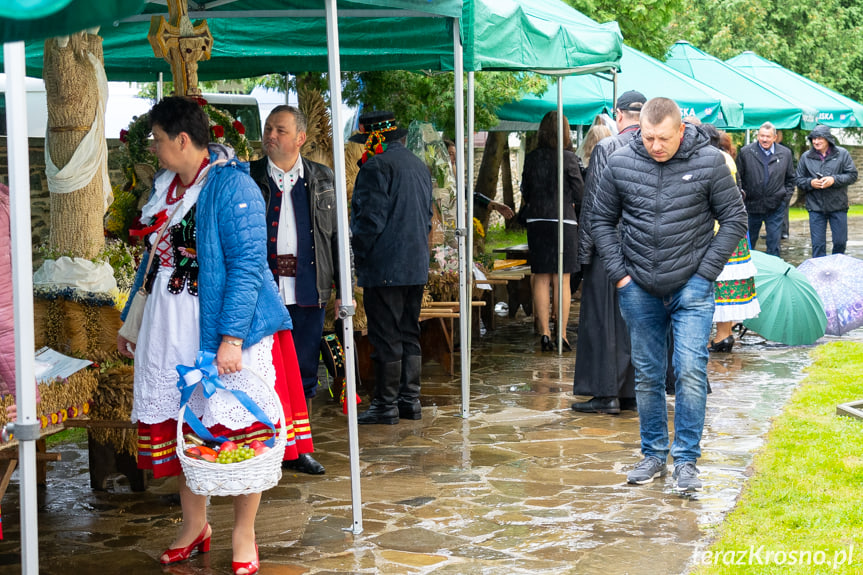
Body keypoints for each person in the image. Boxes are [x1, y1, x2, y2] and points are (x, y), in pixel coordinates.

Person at [117, 96, 294, 574]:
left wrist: (232, 338)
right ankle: (194, 526)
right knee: (185, 427)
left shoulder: (234, 187)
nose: (153, 149)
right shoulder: (166, 188)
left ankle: (243, 532)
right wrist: (134, 319)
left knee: (236, 427)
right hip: (169, 325)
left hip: (218, 325)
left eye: (157, 140)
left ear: (182, 139)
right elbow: (154, 260)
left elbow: (248, 268)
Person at [591, 98, 747, 492]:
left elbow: (734, 219)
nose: (655, 146)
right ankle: (653, 454)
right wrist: (621, 277)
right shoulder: (621, 162)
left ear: (681, 131)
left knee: (690, 370)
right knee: (647, 373)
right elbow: (601, 220)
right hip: (638, 286)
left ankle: (687, 460)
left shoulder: (710, 162)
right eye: (648, 137)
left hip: (691, 286)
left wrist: (705, 273)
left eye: (663, 138)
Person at [249, 105, 343, 476]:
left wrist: (342, 292)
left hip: (308, 288)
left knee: (303, 372)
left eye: (280, 130)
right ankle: (260, 443)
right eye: (268, 128)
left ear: (300, 138)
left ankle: (296, 449)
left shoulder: (322, 178)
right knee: (261, 371)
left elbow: (336, 237)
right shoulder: (250, 176)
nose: (271, 135)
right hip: (262, 293)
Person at [350, 111, 433, 424]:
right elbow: (427, 218)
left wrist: (358, 254)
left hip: (385, 264)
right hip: (414, 264)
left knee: (386, 334)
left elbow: (369, 220)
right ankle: (409, 401)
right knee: (409, 332)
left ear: (373, 138)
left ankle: (386, 405)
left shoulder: (376, 166)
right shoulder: (417, 165)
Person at [571, 91, 644, 415]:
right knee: (633, 322)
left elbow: (594, 207)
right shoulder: (654, 148)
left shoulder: (607, 147)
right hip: (644, 249)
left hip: (609, 248)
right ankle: (628, 391)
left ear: (619, 115)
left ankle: (606, 394)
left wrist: (583, 256)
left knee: (602, 321)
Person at [520, 111, 584, 351]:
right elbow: (580, 193)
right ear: (565, 133)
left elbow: (525, 189)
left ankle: (544, 332)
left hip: (537, 221)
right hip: (563, 222)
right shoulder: (568, 158)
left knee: (541, 277)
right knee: (562, 279)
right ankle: (562, 334)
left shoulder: (531, 158)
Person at [704, 125, 760, 352]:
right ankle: (724, 334)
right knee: (726, 284)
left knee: (718, 283)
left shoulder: (712, 159)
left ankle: (722, 335)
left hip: (718, 229)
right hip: (734, 229)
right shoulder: (726, 157)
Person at [795, 125, 859, 258]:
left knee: (840, 242)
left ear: (828, 139)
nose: (816, 142)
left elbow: (852, 175)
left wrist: (833, 180)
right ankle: (819, 274)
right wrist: (810, 183)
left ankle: (837, 268)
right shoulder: (806, 157)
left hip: (838, 206)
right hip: (815, 207)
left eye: (819, 139)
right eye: (813, 139)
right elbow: (798, 179)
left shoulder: (842, 154)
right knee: (818, 245)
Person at [736, 122, 795, 258]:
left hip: (775, 207)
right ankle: (749, 274)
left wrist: (784, 199)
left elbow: (791, 179)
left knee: (774, 244)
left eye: (768, 136)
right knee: (748, 244)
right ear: (757, 136)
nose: (764, 139)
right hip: (751, 206)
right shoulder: (746, 152)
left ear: (775, 137)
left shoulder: (785, 153)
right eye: (762, 136)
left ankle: (773, 273)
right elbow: (738, 179)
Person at [444, 139, 514, 221]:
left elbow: (466, 193)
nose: (455, 158)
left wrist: (492, 203)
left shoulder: (453, 177)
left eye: (455, 154)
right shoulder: (431, 177)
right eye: (451, 154)